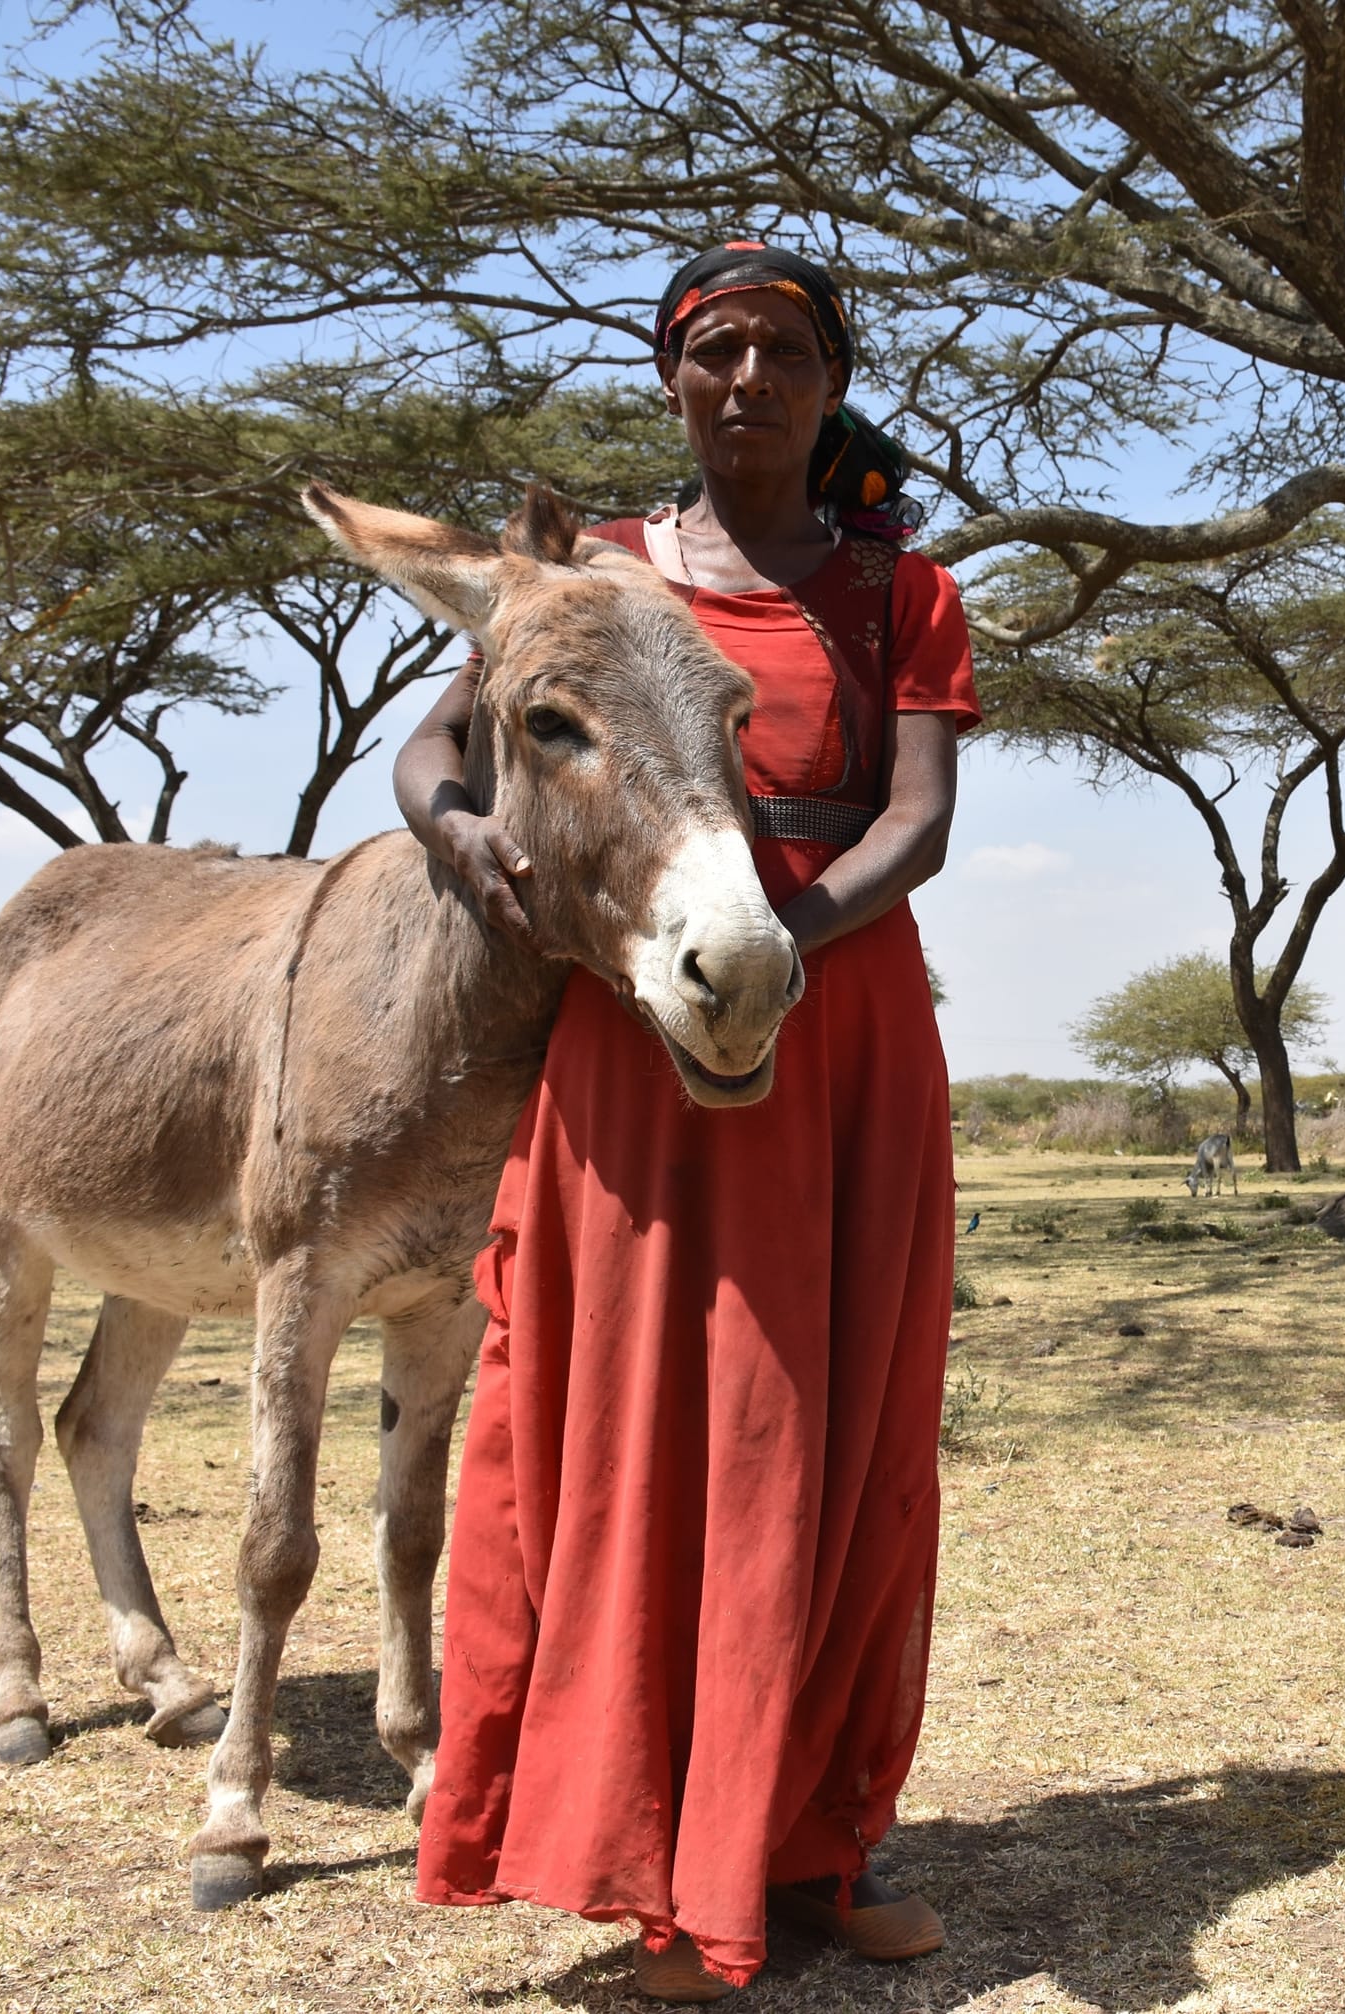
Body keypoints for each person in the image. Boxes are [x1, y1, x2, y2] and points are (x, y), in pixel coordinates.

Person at [393, 243, 980, 2003]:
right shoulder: (588, 574)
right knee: (632, 1439)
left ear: (832, 381)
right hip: (633, 1029)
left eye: (785, 351)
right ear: (671, 376)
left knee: (839, 1435)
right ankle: (656, 1859)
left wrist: (770, 943)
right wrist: (461, 836)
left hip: (836, 1018)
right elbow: (436, 754)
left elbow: (917, 823)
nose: (749, 380)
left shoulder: (899, 589)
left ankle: (823, 1839)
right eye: (716, 349)